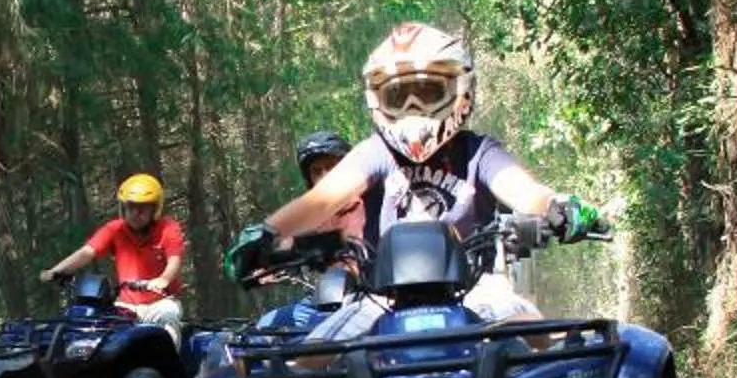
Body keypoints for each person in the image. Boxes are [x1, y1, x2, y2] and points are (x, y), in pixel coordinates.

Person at [227, 25, 599, 325]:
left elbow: (522, 189)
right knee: (316, 357)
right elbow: (323, 199)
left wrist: (556, 206)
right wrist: (268, 234)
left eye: (426, 91)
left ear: (460, 90)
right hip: (379, 298)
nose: (413, 108)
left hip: (477, 289)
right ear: (378, 100)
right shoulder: (375, 153)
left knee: (531, 329)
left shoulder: (478, 153)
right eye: (398, 96)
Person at [41, 172, 186, 338]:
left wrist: (163, 280)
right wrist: (56, 271)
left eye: (142, 208)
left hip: (160, 302)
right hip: (126, 305)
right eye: (130, 207)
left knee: (168, 319)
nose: (135, 213)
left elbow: (174, 261)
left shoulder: (168, 228)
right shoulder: (115, 229)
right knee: (99, 332)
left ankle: (167, 363)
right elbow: (87, 252)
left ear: (155, 209)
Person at [293, 130, 368, 264]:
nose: (325, 176)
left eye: (331, 167)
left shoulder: (374, 201)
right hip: (333, 283)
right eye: (316, 171)